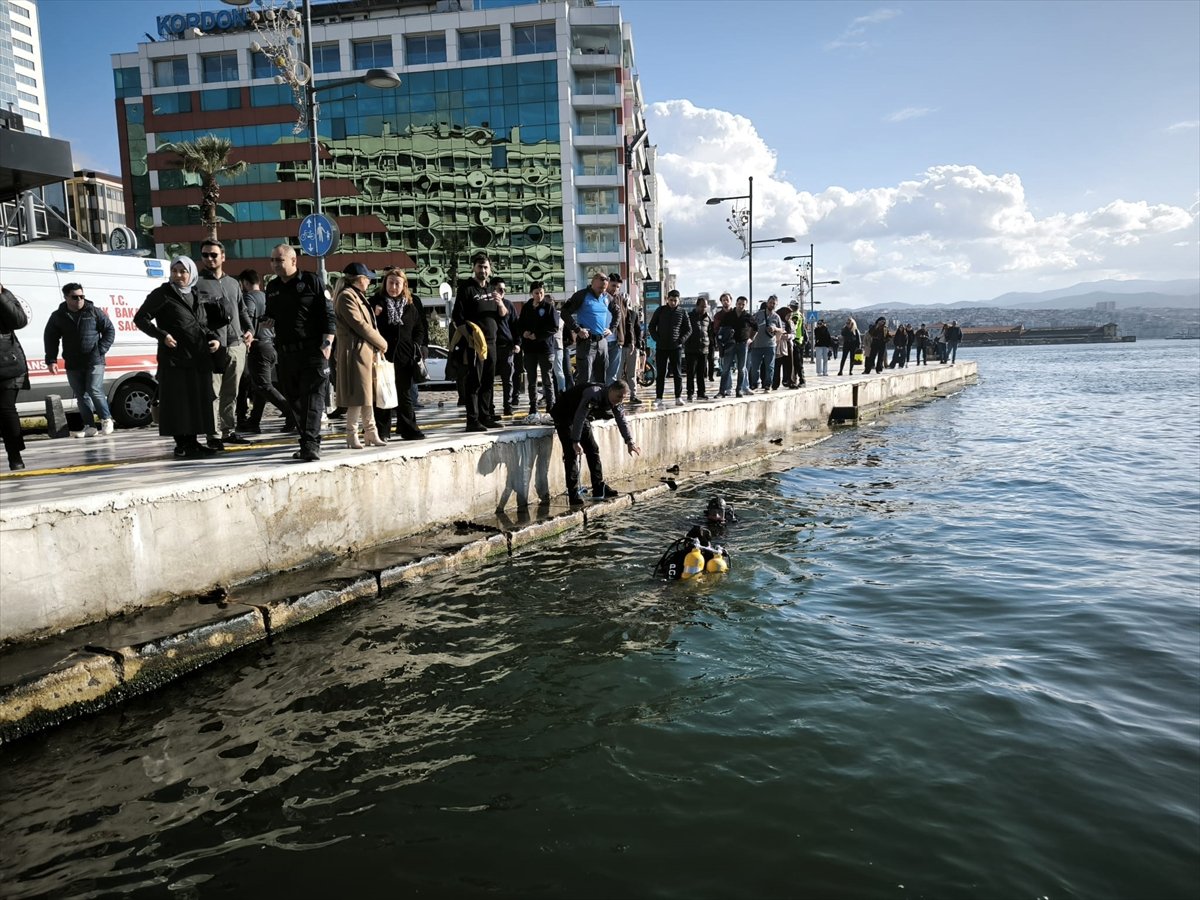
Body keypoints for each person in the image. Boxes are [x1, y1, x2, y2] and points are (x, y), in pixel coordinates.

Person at [133, 256, 223, 460]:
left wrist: (214, 339)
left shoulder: (195, 294)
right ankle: (182, 444)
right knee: (178, 404)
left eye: (183, 271)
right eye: (175, 271)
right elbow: (141, 318)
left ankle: (193, 442)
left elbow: (203, 324)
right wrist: (162, 335)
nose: (178, 275)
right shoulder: (162, 294)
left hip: (197, 358)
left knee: (195, 402)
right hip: (174, 360)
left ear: (191, 273)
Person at [264, 243, 335, 462]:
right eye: (274, 260)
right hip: (286, 353)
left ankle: (310, 445)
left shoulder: (311, 281)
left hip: (313, 350)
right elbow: (271, 315)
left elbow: (328, 314)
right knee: (294, 398)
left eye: (280, 260)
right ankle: (307, 440)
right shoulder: (272, 287)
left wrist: (328, 343)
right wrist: (267, 322)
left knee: (313, 397)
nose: (276, 264)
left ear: (293, 261)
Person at [195, 239, 253, 449]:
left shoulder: (233, 283)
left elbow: (243, 310)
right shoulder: (197, 283)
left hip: (237, 344)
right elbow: (195, 318)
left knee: (232, 393)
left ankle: (229, 431)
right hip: (214, 347)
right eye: (205, 255)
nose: (209, 259)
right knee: (213, 393)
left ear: (223, 257)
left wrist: (249, 331)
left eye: (213, 255)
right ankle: (214, 435)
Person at [550, 378, 640, 504]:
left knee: (593, 449)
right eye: (619, 396)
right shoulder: (593, 394)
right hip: (564, 414)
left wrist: (629, 441)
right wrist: (575, 441)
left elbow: (621, 419)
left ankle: (598, 486)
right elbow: (579, 416)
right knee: (571, 453)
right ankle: (573, 493)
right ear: (611, 390)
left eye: (623, 398)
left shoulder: (616, 400)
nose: (620, 400)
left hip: (580, 415)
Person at [43, 282, 116, 437]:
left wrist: (100, 349)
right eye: (75, 297)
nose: (79, 300)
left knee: (94, 389)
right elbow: (50, 337)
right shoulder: (58, 316)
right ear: (66, 297)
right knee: (81, 394)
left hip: (95, 360)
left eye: (82, 296)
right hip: (73, 361)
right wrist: (51, 360)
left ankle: (106, 419)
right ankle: (90, 426)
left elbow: (109, 330)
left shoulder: (94, 312)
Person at [333, 262, 388, 449]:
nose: (370, 283)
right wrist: (382, 342)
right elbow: (361, 326)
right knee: (357, 397)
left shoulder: (356, 296)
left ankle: (371, 433)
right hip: (354, 353)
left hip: (362, 352)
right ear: (359, 279)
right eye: (367, 279)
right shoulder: (347, 297)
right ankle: (351, 434)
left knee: (366, 395)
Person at [452, 252, 509, 432]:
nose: (482, 270)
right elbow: (457, 318)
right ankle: (473, 420)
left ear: (489, 269)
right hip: (474, 343)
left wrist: (500, 303)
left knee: (488, 382)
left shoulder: (493, 289)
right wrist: (469, 338)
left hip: (492, 343)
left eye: (485, 267)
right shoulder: (466, 288)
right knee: (474, 382)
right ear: (473, 268)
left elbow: (503, 315)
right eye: (479, 267)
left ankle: (486, 416)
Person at [370, 267, 425, 441]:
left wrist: (416, 346)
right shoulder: (375, 302)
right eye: (390, 283)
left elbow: (419, 329)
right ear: (385, 283)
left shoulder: (410, 306)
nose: (393, 287)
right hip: (383, 355)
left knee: (405, 395)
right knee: (383, 393)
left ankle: (408, 428)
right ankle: (382, 431)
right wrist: (375, 313)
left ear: (404, 286)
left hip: (405, 356)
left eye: (397, 284)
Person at [238, 269, 294, 435]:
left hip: (258, 346)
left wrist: (247, 333)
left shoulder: (249, 297)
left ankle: (290, 412)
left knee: (263, 385)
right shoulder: (266, 296)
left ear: (244, 283)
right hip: (271, 345)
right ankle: (254, 421)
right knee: (258, 387)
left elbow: (247, 317)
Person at [561, 272, 612, 384]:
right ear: (593, 283)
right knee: (585, 378)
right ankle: (582, 401)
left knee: (601, 378)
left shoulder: (606, 297)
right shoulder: (581, 295)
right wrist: (577, 329)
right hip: (586, 342)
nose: (601, 291)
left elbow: (617, 311)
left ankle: (598, 401)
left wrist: (612, 328)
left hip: (602, 342)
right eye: (599, 288)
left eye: (604, 288)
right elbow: (564, 312)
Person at [517, 280, 558, 415]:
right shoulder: (527, 307)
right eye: (536, 293)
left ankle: (550, 406)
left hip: (545, 347)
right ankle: (533, 405)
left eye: (541, 293)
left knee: (547, 378)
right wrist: (524, 333)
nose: (539, 295)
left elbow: (554, 327)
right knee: (532, 379)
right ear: (531, 294)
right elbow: (520, 324)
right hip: (529, 348)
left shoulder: (548, 307)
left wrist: (538, 335)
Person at [0, 283, 30, 470]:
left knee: (5, 409)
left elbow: (19, 321)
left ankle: (15, 455)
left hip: (6, 363)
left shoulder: (5, 294)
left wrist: (1, 296)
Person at [647, 289, 691, 406]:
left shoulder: (682, 312)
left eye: (675, 300)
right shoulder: (660, 310)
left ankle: (678, 397)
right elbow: (651, 326)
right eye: (671, 300)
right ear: (667, 299)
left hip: (676, 347)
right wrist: (657, 338)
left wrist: (681, 340)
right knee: (661, 373)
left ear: (678, 300)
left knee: (677, 373)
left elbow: (688, 329)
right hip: (661, 347)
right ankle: (659, 398)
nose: (673, 302)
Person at [491, 276, 521, 416]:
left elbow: (515, 326)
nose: (502, 292)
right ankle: (489, 408)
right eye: (499, 289)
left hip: (506, 347)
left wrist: (517, 343)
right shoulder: (487, 304)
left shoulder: (509, 305)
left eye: (504, 289)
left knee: (507, 380)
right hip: (490, 347)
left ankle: (507, 406)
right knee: (488, 379)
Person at [718, 295, 757, 397]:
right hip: (730, 345)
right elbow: (721, 328)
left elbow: (756, 328)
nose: (740, 306)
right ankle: (722, 391)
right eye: (739, 304)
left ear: (746, 305)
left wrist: (750, 339)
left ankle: (739, 390)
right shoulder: (729, 315)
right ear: (736, 304)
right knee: (726, 369)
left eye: (743, 305)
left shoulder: (748, 316)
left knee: (742, 368)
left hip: (742, 345)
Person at [748, 295, 783, 392]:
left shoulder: (776, 317)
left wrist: (775, 329)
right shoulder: (758, 314)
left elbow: (781, 330)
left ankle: (768, 385)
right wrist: (750, 339)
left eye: (774, 303)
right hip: (756, 345)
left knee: (770, 366)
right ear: (767, 303)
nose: (772, 305)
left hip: (770, 345)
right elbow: (751, 326)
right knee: (755, 367)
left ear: (776, 305)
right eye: (770, 302)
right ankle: (754, 384)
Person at [684, 295, 711, 401]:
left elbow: (709, 333)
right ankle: (689, 394)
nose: (703, 309)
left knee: (701, 373)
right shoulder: (689, 316)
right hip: (691, 349)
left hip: (704, 349)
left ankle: (701, 393)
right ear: (697, 306)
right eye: (702, 306)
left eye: (705, 307)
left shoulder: (707, 318)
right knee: (691, 373)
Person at [604, 273, 627, 386]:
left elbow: (627, 320)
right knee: (598, 373)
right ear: (607, 284)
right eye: (613, 286)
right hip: (600, 341)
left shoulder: (621, 299)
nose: (615, 289)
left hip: (616, 342)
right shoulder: (599, 297)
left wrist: (629, 341)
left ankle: (610, 401)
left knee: (612, 375)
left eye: (618, 287)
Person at [773, 305, 794, 390]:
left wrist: (788, 336)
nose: (789, 317)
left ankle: (789, 381)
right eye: (788, 315)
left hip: (788, 344)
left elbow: (793, 333)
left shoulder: (790, 323)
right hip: (777, 345)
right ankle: (775, 383)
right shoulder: (777, 321)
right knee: (777, 365)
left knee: (789, 364)